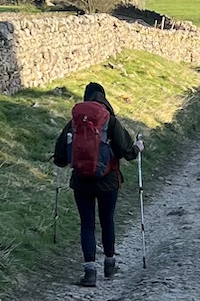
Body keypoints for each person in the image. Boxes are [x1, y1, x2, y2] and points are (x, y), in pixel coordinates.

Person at [53, 82, 143, 288]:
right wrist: (138, 147)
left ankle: (90, 271)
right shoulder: (110, 121)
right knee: (107, 221)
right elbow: (127, 152)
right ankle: (110, 265)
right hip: (108, 181)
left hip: (81, 183)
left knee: (87, 224)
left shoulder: (75, 122)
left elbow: (59, 158)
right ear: (103, 97)